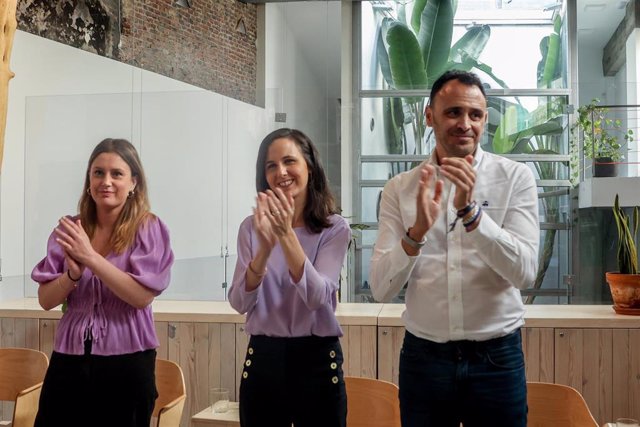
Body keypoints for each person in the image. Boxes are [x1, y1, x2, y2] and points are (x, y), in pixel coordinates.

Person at [369, 70, 539, 427]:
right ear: (429, 115)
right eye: (453, 112)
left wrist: (472, 215)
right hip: (424, 357)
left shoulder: (516, 177)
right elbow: (381, 287)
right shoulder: (400, 189)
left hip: (497, 358)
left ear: (485, 119)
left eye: (475, 115)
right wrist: (415, 234)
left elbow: (524, 273)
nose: (465, 124)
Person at [32, 138, 174, 427]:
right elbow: (46, 300)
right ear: (88, 179)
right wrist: (71, 275)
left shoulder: (148, 228)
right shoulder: (70, 229)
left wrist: (91, 258)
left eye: (116, 174)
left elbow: (141, 297)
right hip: (69, 359)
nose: (105, 181)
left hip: (128, 361)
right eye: (98, 172)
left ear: (134, 182)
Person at [228, 128, 351, 427]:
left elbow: (317, 297)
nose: (281, 172)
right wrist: (265, 249)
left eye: (289, 161)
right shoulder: (251, 228)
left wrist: (284, 234)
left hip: (317, 359)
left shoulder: (334, 228)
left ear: (309, 166)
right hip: (263, 359)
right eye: (271, 166)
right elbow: (239, 301)